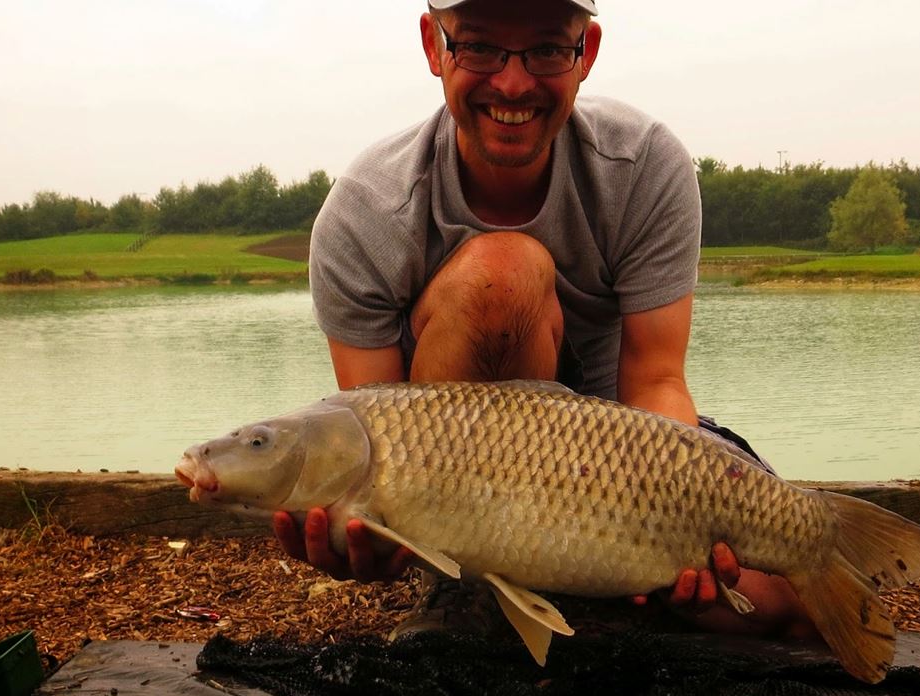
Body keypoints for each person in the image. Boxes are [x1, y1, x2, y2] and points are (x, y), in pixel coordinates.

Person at [274, 0, 814, 641]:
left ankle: (610, 579)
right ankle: (465, 585)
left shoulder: (644, 163)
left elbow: (657, 381)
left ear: (587, 52)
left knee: (789, 601)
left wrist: (684, 515)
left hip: (621, 464)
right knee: (502, 271)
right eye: (479, 46)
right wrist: (369, 536)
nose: (512, 83)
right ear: (433, 45)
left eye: (548, 50)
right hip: (461, 489)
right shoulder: (366, 212)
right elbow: (375, 433)